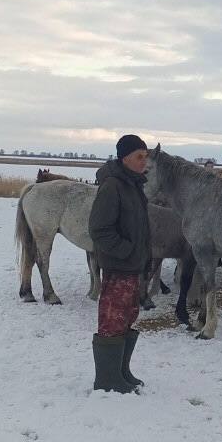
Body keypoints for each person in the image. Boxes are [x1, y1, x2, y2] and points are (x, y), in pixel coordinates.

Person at [88, 134, 152, 393]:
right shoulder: (113, 186)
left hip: (133, 266)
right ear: (125, 158)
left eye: (146, 156)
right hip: (119, 267)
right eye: (139, 156)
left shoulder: (133, 185)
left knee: (127, 317)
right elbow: (99, 229)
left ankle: (121, 371)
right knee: (112, 320)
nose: (144, 161)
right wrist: (125, 251)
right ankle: (107, 379)